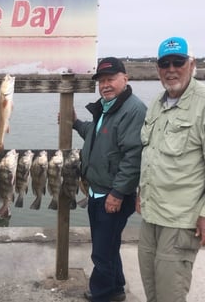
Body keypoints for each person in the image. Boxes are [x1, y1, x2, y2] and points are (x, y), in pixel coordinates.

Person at [137, 36, 205, 302]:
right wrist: (141, 192)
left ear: (191, 63)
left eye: (178, 62)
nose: (171, 69)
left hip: (181, 220)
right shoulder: (157, 103)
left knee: (170, 295)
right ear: (158, 68)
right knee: (152, 290)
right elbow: (150, 153)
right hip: (151, 215)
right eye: (165, 63)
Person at [72, 57, 147, 302]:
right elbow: (95, 136)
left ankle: (102, 294)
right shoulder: (107, 107)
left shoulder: (133, 110)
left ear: (125, 78)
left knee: (102, 252)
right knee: (109, 245)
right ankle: (115, 288)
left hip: (112, 195)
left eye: (110, 79)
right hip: (96, 191)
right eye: (101, 80)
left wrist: (117, 193)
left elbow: (133, 156)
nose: (105, 85)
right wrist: (75, 124)